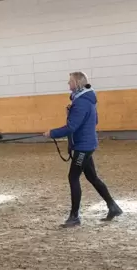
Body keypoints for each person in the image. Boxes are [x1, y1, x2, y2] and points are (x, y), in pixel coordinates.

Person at [44, 71, 122, 227]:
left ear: (77, 83)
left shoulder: (81, 102)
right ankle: (113, 206)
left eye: (70, 81)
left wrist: (51, 133)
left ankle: (74, 217)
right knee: (92, 177)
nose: (68, 84)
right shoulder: (87, 100)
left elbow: (72, 126)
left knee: (73, 177)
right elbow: (94, 120)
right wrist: (71, 113)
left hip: (83, 147)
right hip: (86, 144)